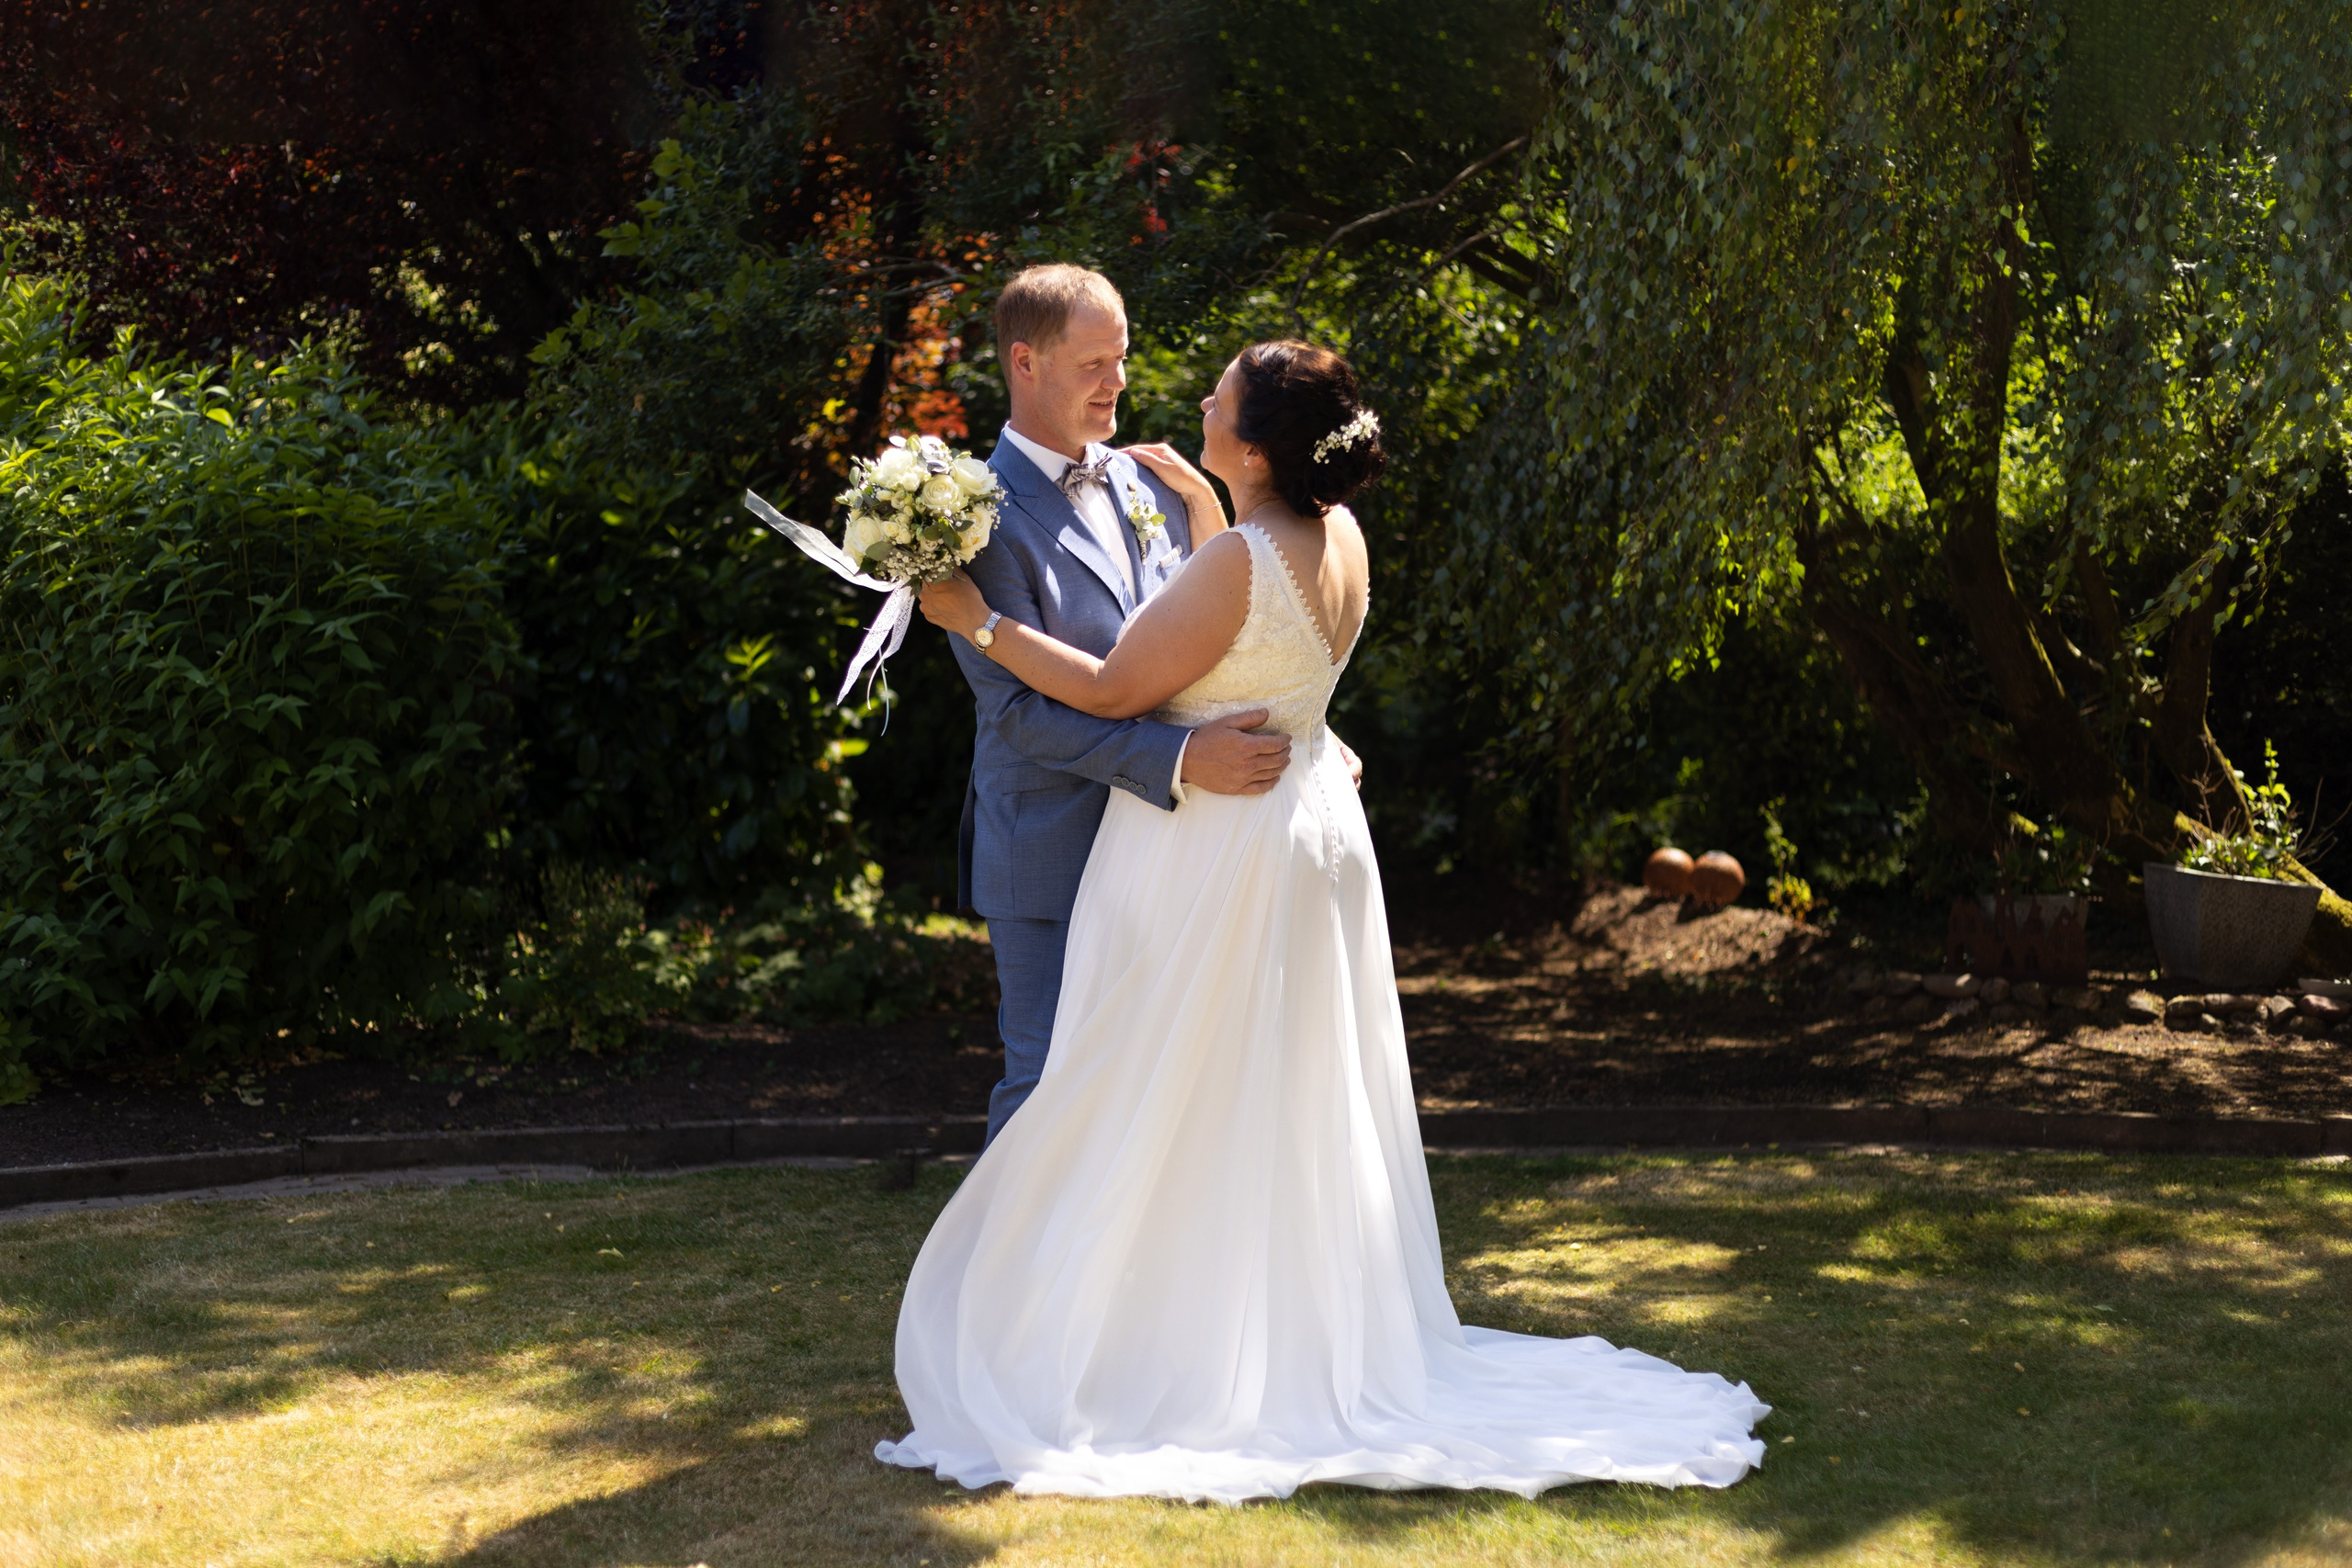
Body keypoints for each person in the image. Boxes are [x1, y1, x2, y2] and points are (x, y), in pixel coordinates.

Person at [875, 338, 1770, 1502]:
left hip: (1218, 849)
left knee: (1165, 1085)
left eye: (1220, 396)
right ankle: (1252, 1330)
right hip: (1307, 828)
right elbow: (1258, 647)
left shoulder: (1238, 558)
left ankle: (1151, 1348)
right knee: (1273, 1097)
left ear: (1254, 447)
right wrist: (1211, 513)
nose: (1199, 400)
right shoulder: (1335, 535)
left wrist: (973, 619)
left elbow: (1108, 688)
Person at [945, 265, 1322, 1145]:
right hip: (1053, 842)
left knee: (1155, 1090)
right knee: (1048, 1087)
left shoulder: (1151, 484)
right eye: (1093, 365)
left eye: (1121, 358)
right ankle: (1005, 1246)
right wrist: (1181, 760)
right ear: (1025, 363)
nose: (1117, 381)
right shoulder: (971, 518)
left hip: (1170, 847)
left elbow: (1205, 650)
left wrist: (1307, 725)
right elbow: (1019, 714)